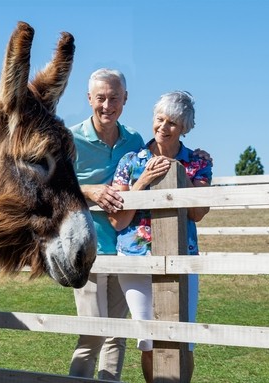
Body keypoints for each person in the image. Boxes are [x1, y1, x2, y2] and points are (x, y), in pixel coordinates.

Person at [108, 90, 212, 383]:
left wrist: (179, 173)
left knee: (183, 340)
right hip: (136, 260)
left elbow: (198, 212)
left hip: (182, 260)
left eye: (173, 123)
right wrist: (143, 181)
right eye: (159, 119)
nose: (163, 128)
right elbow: (119, 221)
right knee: (148, 340)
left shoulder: (197, 162)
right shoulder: (130, 161)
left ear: (184, 129)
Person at [68, 68, 144, 381]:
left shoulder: (135, 140)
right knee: (93, 334)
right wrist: (90, 191)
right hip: (86, 247)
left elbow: (155, 166)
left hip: (125, 248)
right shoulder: (71, 139)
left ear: (125, 99)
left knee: (117, 333)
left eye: (114, 98)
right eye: (101, 98)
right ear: (89, 99)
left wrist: (195, 157)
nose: (107, 105)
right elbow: (54, 190)